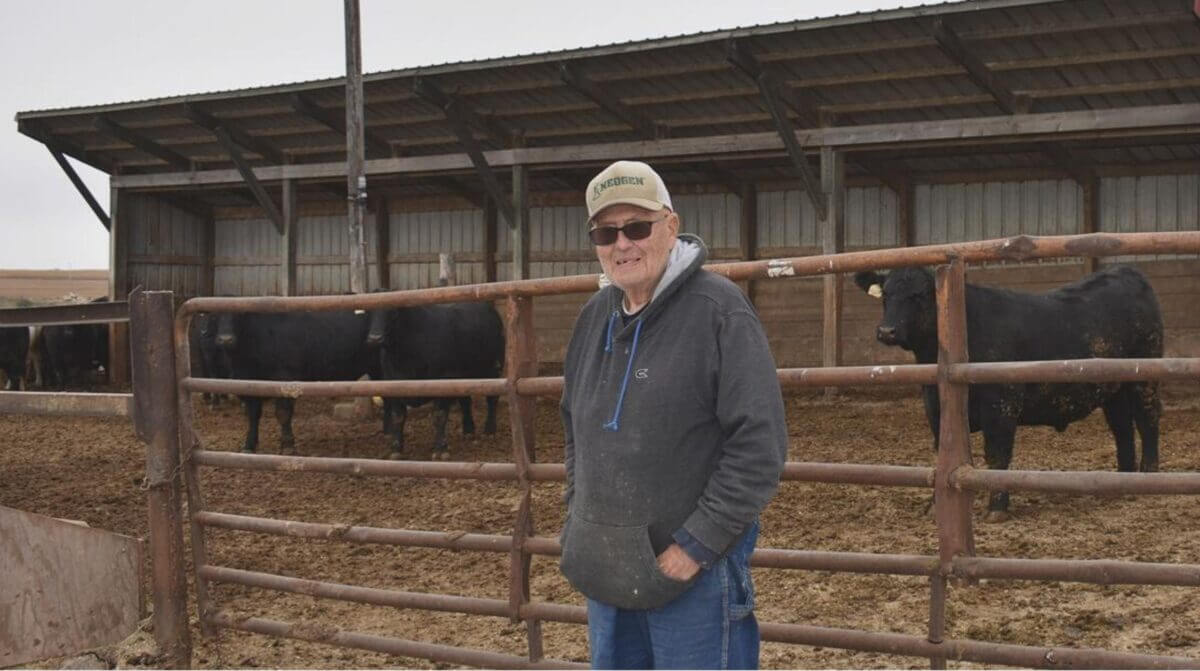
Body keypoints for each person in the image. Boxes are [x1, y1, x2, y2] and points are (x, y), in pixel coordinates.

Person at [559, 160, 788, 669]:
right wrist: (580, 519)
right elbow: (573, 425)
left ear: (670, 226)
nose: (622, 244)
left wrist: (696, 545)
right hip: (609, 571)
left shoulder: (718, 311)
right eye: (606, 231)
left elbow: (760, 445)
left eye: (637, 228)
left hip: (692, 576)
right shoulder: (593, 317)